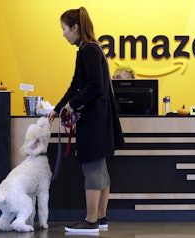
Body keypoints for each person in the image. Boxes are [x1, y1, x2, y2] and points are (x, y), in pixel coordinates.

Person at [48, 7, 125, 233]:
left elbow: (94, 86)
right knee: (100, 169)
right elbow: (75, 85)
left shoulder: (89, 50)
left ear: (76, 28)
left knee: (92, 169)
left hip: (94, 120)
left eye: (64, 29)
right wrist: (58, 108)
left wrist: (72, 105)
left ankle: (90, 221)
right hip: (99, 118)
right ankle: (100, 217)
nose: (63, 34)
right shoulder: (87, 49)